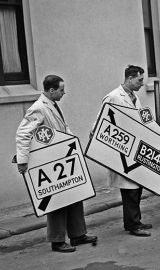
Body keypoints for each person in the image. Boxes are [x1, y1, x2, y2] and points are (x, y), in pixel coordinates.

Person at [15, 75, 97, 252]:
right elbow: (23, 134)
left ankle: (78, 235)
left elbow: (63, 128)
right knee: (57, 201)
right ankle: (57, 240)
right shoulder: (38, 108)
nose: (64, 93)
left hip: (63, 158)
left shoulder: (52, 106)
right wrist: (22, 160)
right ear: (51, 90)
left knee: (75, 195)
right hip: (50, 162)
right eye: (61, 90)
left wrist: (73, 145)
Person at [93, 65, 152, 237]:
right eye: (140, 80)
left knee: (137, 187)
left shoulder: (134, 97)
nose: (142, 84)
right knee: (130, 190)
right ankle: (133, 225)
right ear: (130, 78)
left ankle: (135, 221)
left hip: (135, 149)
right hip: (122, 150)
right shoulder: (113, 97)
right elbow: (100, 122)